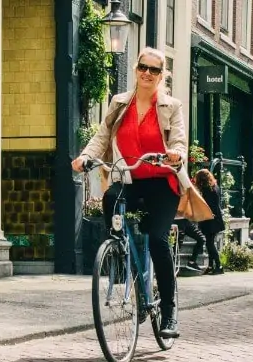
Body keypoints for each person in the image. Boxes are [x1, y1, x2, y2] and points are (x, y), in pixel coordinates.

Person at [71, 47, 186, 339]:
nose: (147, 73)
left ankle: (170, 312)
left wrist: (175, 154)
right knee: (110, 197)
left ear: (162, 75)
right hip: (132, 177)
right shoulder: (120, 103)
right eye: (143, 67)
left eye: (154, 70)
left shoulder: (171, 106)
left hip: (163, 182)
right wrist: (85, 156)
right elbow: (103, 136)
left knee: (158, 239)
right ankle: (120, 250)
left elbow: (180, 140)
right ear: (136, 69)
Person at [195, 169, 225, 275]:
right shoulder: (215, 187)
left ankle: (219, 266)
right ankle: (211, 266)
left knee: (210, 244)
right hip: (215, 219)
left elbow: (206, 205)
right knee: (209, 243)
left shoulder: (208, 190)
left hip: (210, 219)